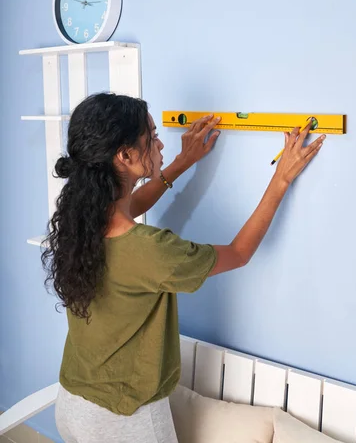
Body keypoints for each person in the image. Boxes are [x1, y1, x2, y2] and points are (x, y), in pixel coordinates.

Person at [43, 93, 325, 443]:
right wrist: (281, 180)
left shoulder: (79, 218)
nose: (161, 142)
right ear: (125, 156)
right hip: (124, 420)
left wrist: (180, 162)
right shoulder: (151, 250)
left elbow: (129, 206)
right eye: (152, 137)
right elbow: (239, 252)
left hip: (73, 404)